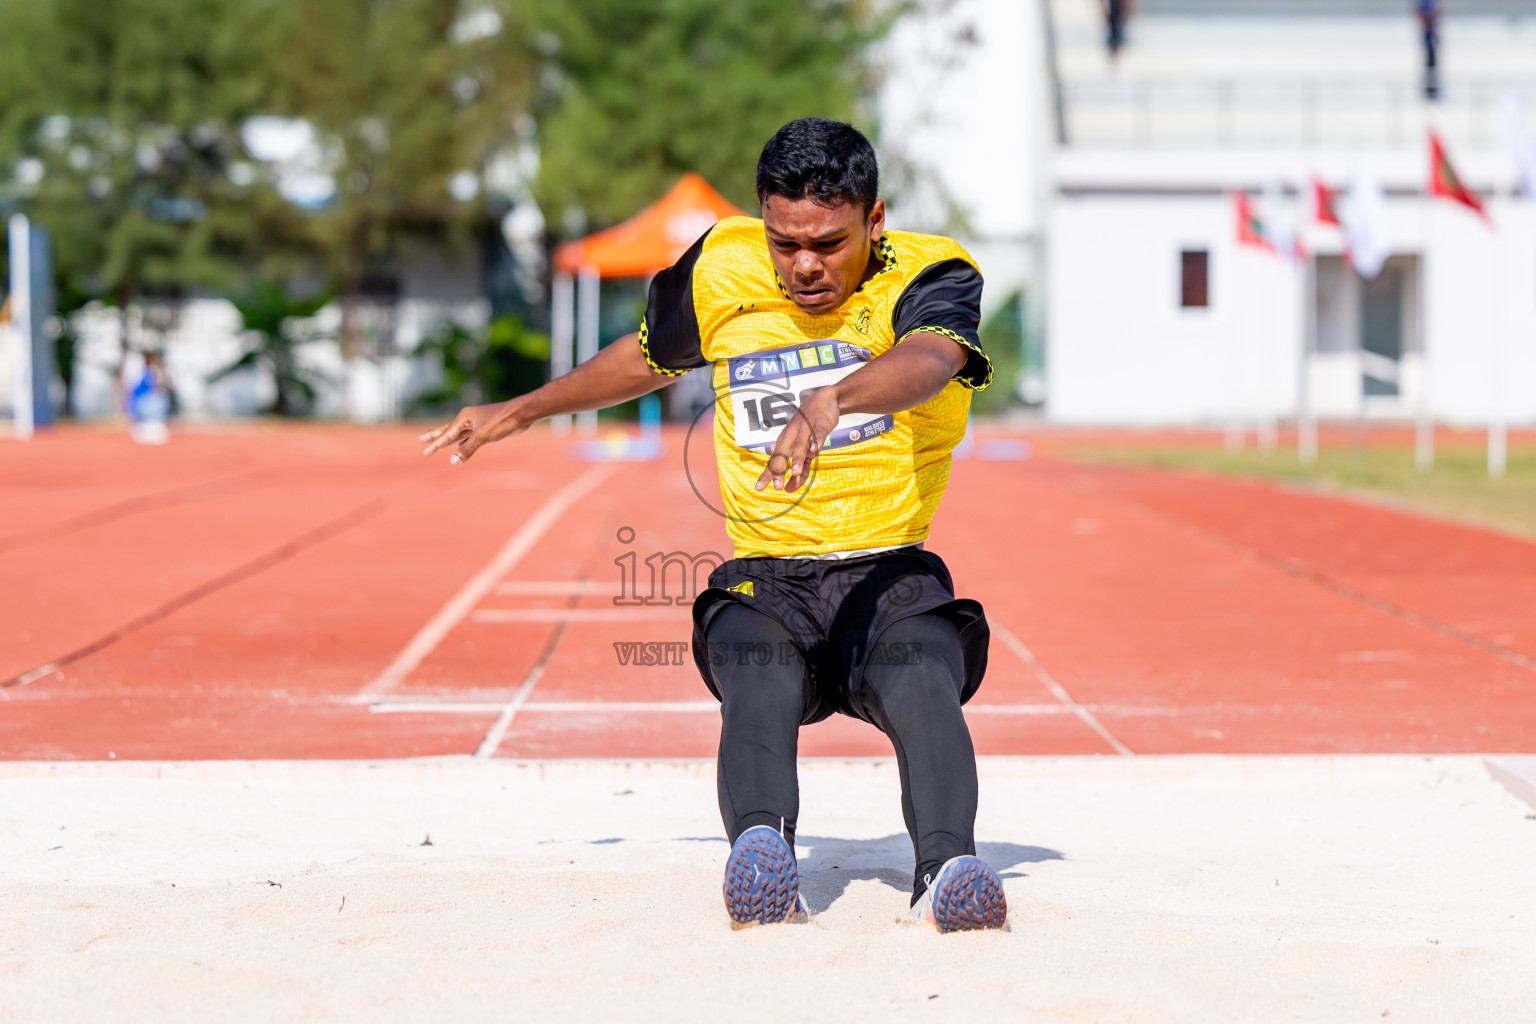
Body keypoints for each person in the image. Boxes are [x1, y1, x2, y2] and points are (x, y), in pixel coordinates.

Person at [421, 118, 1006, 933]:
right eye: (785, 241)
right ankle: (762, 854)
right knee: (754, 670)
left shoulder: (931, 272)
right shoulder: (723, 264)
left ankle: (947, 871)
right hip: (771, 579)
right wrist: (521, 409)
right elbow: (644, 357)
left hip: (888, 577)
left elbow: (931, 362)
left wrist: (835, 396)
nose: (804, 265)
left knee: (922, 682)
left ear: (875, 222)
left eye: (829, 244)